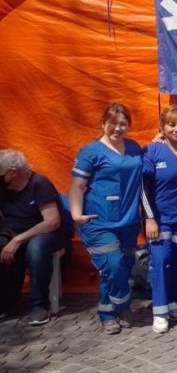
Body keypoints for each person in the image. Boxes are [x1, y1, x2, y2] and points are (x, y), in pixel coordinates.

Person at [69, 103, 143, 334]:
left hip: (129, 220)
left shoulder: (133, 147)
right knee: (113, 264)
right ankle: (117, 308)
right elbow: (77, 186)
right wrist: (76, 214)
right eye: (112, 123)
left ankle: (112, 310)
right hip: (99, 220)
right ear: (103, 124)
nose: (117, 128)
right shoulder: (90, 151)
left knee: (123, 267)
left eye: (122, 124)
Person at [141, 105, 177, 333]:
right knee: (161, 262)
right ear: (162, 127)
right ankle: (160, 310)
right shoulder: (153, 150)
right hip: (161, 219)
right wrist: (149, 218)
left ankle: (176, 303)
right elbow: (143, 188)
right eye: (171, 124)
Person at [0, 149, 65, 326]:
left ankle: (39, 304)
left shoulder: (39, 184)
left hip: (45, 233)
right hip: (13, 232)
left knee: (36, 248)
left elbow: (52, 222)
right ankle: (6, 301)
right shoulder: (3, 187)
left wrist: (17, 240)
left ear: (13, 173)